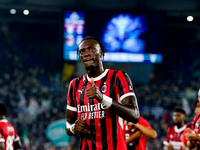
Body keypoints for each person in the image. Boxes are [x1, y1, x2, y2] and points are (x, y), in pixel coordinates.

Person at [65, 36, 140, 150]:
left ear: (101, 53)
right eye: (82, 51)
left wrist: (102, 98)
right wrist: (73, 128)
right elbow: (68, 123)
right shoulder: (74, 85)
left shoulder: (118, 77)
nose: (86, 53)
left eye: (91, 49)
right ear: (80, 57)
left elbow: (134, 115)